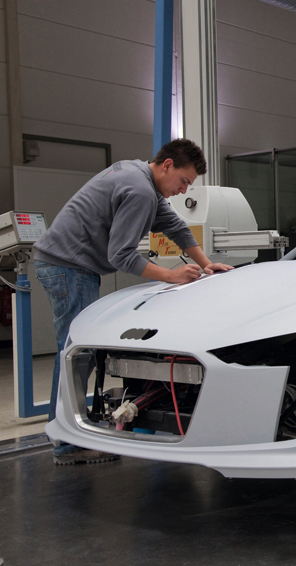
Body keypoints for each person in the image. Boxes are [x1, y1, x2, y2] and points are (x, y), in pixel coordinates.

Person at [34, 138, 233, 465]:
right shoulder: (140, 191)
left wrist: (207, 264)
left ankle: (70, 435)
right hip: (68, 266)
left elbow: (176, 227)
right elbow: (121, 255)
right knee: (76, 354)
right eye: (183, 181)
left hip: (69, 264)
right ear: (167, 165)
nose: (184, 190)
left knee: (77, 352)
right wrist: (172, 276)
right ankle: (67, 444)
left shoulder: (140, 178)